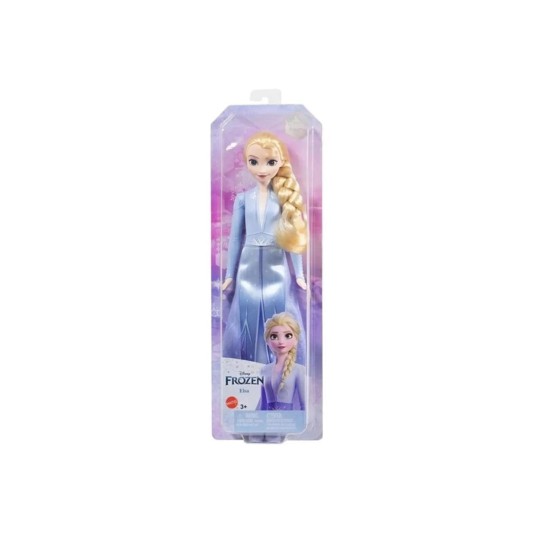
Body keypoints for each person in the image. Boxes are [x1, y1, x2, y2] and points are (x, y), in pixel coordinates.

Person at [222, 132, 307, 363]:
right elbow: (235, 238)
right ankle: (249, 361)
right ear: (246, 162)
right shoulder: (243, 199)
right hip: (248, 262)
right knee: (247, 309)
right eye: (254, 161)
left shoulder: (283, 198)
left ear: (281, 163)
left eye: (270, 162)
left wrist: (299, 275)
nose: (262, 169)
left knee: (278, 309)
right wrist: (230, 275)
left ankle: (280, 363)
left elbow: (292, 237)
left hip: (276, 260)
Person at [257, 312, 305, 411]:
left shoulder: (299, 370)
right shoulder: (264, 370)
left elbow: (305, 405)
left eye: (288, 335)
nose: (281, 341)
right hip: (266, 419)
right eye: (274, 336)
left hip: (288, 419)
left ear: (296, 340)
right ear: (267, 341)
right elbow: (262, 404)